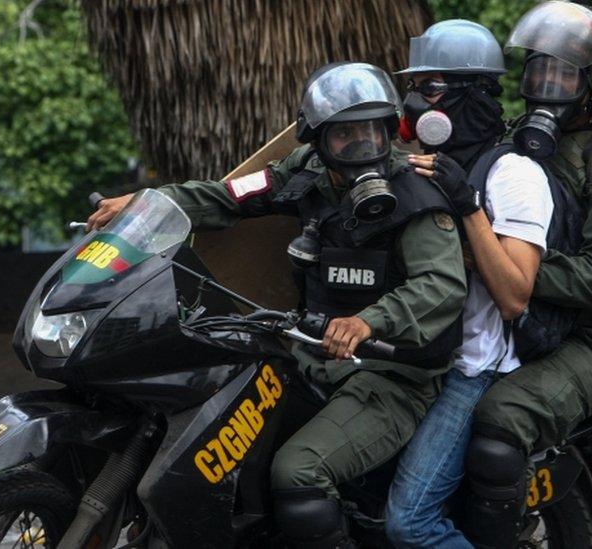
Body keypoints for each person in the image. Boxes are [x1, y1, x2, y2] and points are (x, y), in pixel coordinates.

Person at [88, 62, 468, 548]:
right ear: (316, 139)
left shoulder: (415, 195)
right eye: (345, 135)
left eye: (372, 132)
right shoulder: (305, 174)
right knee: (218, 451)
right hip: (308, 361)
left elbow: (441, 285)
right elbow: (228, 197)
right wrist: (147, 203)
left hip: (392, 377)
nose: (361, 147)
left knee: (298, 475)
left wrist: (367, 322)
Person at [463, 3, 592, 547]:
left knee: (499, 423)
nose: (545, 87)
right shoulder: (522, 148)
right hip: (536, 318)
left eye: (563, 75)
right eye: (538, 71)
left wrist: (504, 267)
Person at [382, 20, 555, 548]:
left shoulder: (513, 175)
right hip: (408, 355)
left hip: (472, 368)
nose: (415, 104)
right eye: (414, 88)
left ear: (471, 97)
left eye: (430, 89)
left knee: (409, 524)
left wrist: (468, 205)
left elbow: (513, 296)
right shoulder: (418, 165)